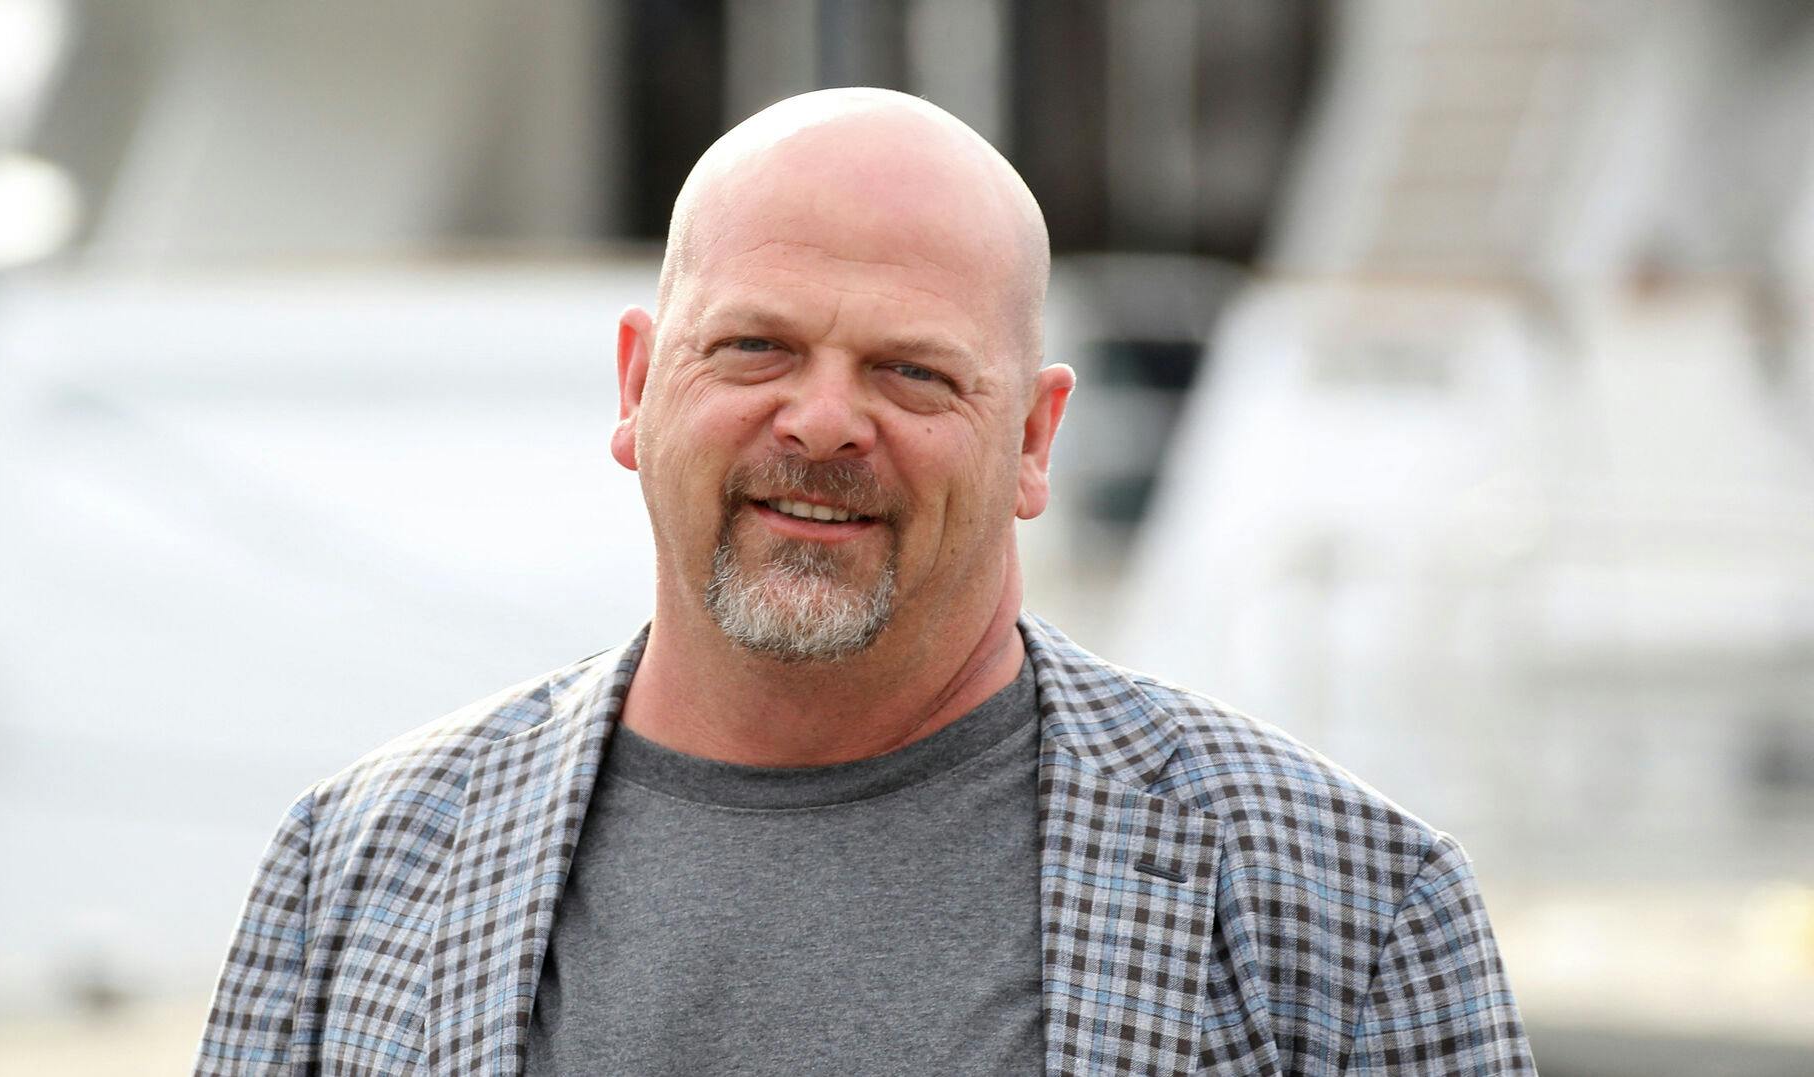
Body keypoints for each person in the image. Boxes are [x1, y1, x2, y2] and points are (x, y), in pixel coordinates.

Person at [197, 88, 1534, 1076]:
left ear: (1031, 438)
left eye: (913, 371)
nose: (825, 422)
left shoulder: (1352, 909)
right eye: (758, 346)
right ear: (635, 386)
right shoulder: (357, 872)